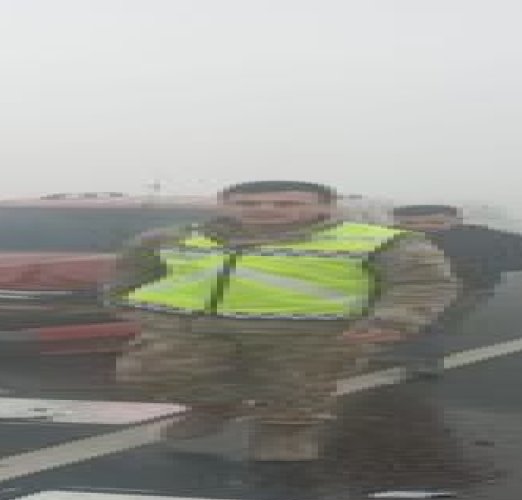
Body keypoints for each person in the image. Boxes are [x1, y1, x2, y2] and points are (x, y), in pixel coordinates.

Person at [106, 180, 457, 462]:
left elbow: (424, 282)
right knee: (148, 371)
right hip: (198, 329)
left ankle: (286, 432)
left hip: (310, 335)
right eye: (248, 204)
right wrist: (128, 303)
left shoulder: (379, 241)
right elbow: (132, 270)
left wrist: (395, 319)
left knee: (294, 390)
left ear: (325, 206)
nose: (265, 210)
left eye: (286, 203)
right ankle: (214, 406)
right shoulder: (172, 237)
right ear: (223, 204)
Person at [385, 204, 522, 378]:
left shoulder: (481, 236)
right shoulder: (388, 236)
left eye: (435, 221)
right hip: (407, 287)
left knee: (434, 322)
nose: (424, 226)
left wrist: (483, 266)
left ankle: (424, 361)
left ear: (457, 220)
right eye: (410, 223)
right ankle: (398, 351)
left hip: (469, 288)